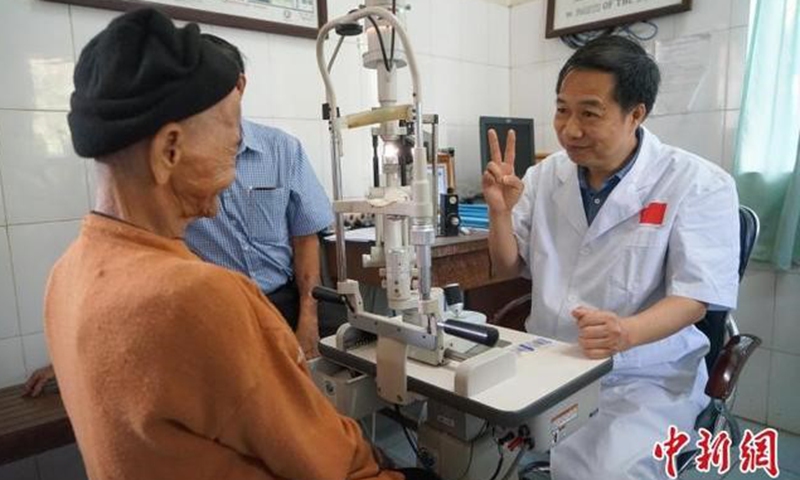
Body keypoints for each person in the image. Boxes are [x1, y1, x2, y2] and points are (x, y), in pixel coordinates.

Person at [44, 8, 433, 480]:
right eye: (230, 136)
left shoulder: (66, 274)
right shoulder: (200, 298)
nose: (237, 153)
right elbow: (327, 462)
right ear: (170, 150)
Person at [483, 35, 739, 479]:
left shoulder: (697, 183)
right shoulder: (545, 176)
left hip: (643, 375)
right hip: (545, 359)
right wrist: (499, 214)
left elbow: (695, 297)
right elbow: (507, 267)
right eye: (562, 109)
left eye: (589, 113)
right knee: (461, 438)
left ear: (635, 113)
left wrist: (627, 330)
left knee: (603, 471)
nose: (570, 128)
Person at [184, 34, 336, 359]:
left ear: (239, 86)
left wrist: (308, 317)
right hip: (218, 312)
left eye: (211, 85)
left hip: (284, 300)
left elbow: (305, 236)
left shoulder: (282, 149)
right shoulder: (175, 158)